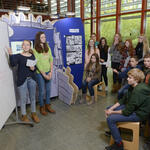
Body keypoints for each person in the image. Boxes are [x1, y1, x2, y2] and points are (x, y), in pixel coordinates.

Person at [104, 68, 150, 150]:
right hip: (133, 109)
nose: (127, 79)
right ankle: (115, 131)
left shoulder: (138, 90)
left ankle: (119, 145)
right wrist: (111, 109)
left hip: (139, 114)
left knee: (110, 119)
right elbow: (123, 100)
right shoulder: (132, 86)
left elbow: (127, 112)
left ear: (136, 79)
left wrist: (111, 112)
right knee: (108, 108)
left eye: (130, 78)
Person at [7, 40, 40, 123]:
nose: (26, 46)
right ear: (22, 46)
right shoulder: (18, 56)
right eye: (24, 45)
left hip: (32, 79)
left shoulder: (32, 56)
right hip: (22, 80)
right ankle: (24, 116)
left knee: (33, 98)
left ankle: (33, 113)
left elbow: (35, 67)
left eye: (27, 45)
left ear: (30, 46)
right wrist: (10, 54)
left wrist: (33, 68)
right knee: (23, 99)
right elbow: (13, 64)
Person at [33, 31, 55, 116]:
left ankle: (48, 105)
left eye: (44, 37)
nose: (44, 39)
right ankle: (42, 106)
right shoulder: (35, 50)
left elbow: (51, 59)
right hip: (40, 73)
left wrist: (51, 72)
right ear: (38, 39)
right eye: (42, 37)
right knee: (42, 91)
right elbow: (37, 63)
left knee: (48, 90)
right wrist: (44, 75)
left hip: (48, 72)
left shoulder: (47, 47)